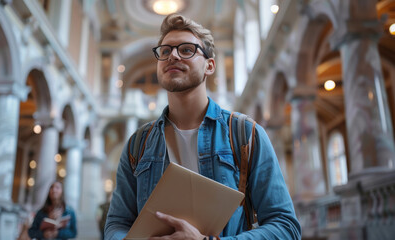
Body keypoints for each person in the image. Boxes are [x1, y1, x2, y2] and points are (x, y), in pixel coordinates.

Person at [105, 13, 301, 240]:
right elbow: (117, 224)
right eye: (165, 51)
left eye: (186, 50)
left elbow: (286, 227)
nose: (173, 56)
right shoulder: (137, 144)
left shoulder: (246, 133)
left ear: (209, 66)